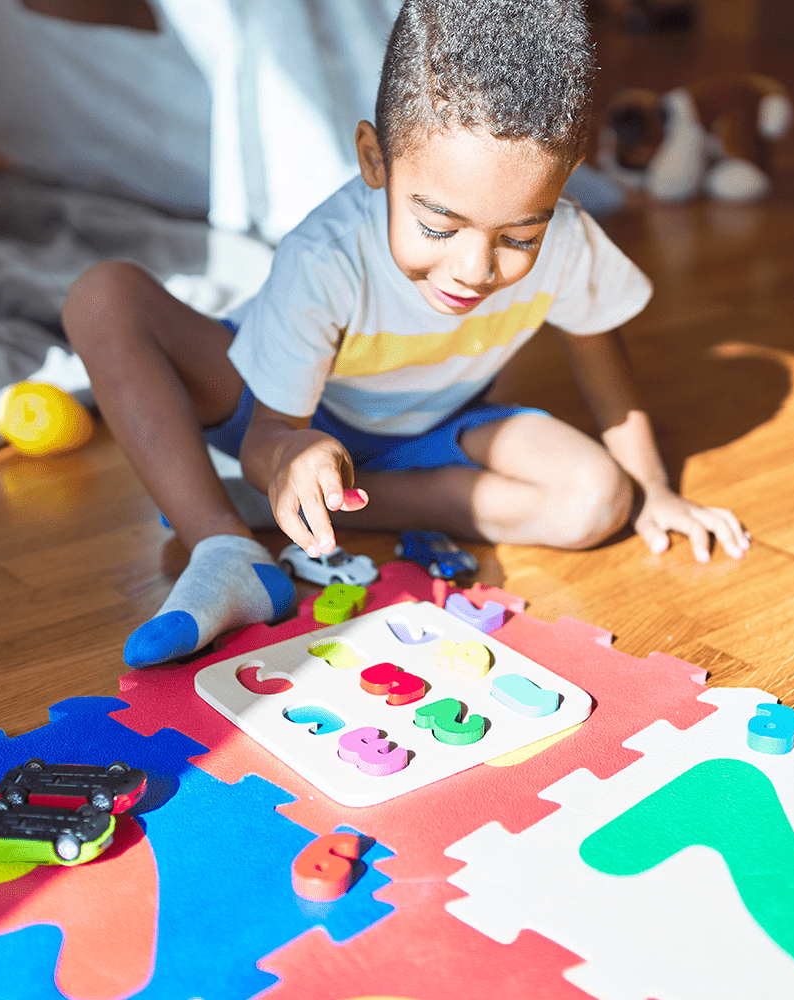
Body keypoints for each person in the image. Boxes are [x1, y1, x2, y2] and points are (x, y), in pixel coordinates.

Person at [62, 0, 750, 668]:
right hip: (275, 409)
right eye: (439, 227)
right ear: (375, 160)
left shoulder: (568, 236)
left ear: (565, 187)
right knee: (105, 298)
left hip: (439, 423)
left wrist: (655, 487)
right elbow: (272, 430)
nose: (474, 269)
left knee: (599, 501)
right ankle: (221, 540)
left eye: (517, 236)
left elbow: (600, 350)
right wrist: (290, 455)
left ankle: (271, 505)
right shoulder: (326, 256)